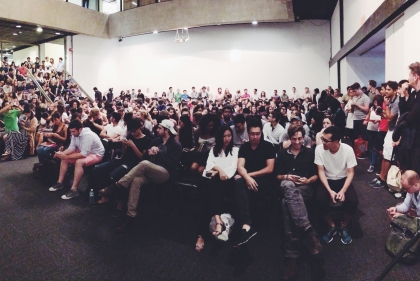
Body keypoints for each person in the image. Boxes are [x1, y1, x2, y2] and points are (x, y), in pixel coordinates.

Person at [98, 119, 182, 233]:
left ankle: (117, 185)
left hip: (165, 173)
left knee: (144, 164)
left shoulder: (176, 145)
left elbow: (173, 165)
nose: (157, 129)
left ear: (167, 130)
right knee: (136, 181)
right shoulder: (156, 140)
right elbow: (144, 157)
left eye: (160, 128)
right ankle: (130, 216)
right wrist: (149, 152)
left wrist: (159, 153)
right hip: (150, 170)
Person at [276, 125, 322, 280]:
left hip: (304, 188)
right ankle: (308, 230)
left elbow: (317, 175)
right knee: (287, 185)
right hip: (287, 185)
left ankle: (292, 257)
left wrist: (308, 180)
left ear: (304, 138)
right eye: (294, 139)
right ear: (289, 138)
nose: (297, 142)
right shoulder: (282, 154)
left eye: (300, 138)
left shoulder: (310, 152)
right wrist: (288, 177)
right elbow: (277, 176)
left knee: (285, 204)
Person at [90, 118, 151, 210]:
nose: (132, 133)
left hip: (134, 163)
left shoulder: (146, 140)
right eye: (130, 131)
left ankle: (120, 202)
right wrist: (124, 145)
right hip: (123, 159)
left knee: (114, 175)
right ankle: (104, 195)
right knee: (98, 169)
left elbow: (142, 158)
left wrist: (133, 146)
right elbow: (123, 153)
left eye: (134, 130)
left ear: (139, 128)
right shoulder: (130, 136)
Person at [195, 125, 239, 252]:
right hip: (212, 182)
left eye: (229, 136)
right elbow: (209, 166)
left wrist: (217, 172)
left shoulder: (235, 150)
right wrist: (218, 171)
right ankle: (218, 221)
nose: (227, 139)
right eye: (224, 136)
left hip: (226, 183)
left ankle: (201, 235)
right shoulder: (214, 150)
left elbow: (232, 168)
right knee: (209, 188)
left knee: (207, 196)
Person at [234, 118, 276, 247]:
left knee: (239, 183)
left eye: (258, 134)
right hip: (248, 181)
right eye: (252, 134)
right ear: (248, 133)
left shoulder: (268, 146)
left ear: (261, 132)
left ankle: (246, 224)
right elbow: (240, 166)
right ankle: (246, 225)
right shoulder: (245, 147)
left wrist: (248, 176)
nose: (255, 137)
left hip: (264, 181)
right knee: (240, 184)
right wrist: (247, 178)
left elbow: (270, 169)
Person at [315, 126, 358, 245]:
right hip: (327, 179)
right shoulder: (319, 149)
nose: (322, 142)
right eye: (322, 139)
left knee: (353, 201)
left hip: (343, 179)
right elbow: (321, 171)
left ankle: (344, 225)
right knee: (319, 199)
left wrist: (343, 190)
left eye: (325, 140)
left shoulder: (348, 150)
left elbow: (351, 172)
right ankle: (331, 225)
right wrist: (329, 190)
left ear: (335, 141)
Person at [49, 120, 105, 200]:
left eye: (73, 131)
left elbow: (83, 154)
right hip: (85, 151)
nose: (72, 133)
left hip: (96, 154)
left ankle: (74, 189)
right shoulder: (75, 134)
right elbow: (71, 148)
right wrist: (61, 154)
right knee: (64, 158)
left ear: (80, 129)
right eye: (71, 131)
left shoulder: (88, 136)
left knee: (79, 162)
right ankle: (60, 182)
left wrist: (67, 156)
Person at [369, 81, 400, 188]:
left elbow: (390, 117)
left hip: (395, 131)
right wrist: (382, 112)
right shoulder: (392, 100)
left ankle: (382, 179)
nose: (386, 91)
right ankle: (381, 177)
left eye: (388, 89)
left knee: (388, 156)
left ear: (395, 90)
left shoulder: (396, 102)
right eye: (385, 89)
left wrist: (386, 105)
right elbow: (387, 115)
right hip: (390, 130)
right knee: (385, 155)